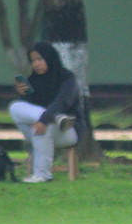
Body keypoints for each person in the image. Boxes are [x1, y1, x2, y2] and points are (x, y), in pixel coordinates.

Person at [9, 42, 84, 183]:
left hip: (68, 130)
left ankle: (42, 175)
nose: (36, 64)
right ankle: (56, 117)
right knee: (15, 107)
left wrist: (44, 119)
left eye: (40, 59)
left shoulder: (67, 78)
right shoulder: (32, 81)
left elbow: (63, 102)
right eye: (33, 61)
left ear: (49, 58)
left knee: (44, 126)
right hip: (44, 127)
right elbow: (27, 110)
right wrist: (23, 94)